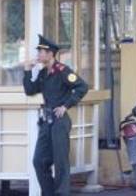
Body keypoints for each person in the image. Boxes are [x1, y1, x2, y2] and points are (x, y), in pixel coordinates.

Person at [23, 34, 89, 196]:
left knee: (60, 162)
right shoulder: (43, 73)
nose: (38, 55)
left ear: (50, 54)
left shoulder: (62, 71)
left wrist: (66, 106)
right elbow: (30, 90)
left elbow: (82, 87)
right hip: (46, 122)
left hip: (59, 121)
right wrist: (27, 71)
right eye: (38, 51)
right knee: (39, 161)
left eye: (41, 52)